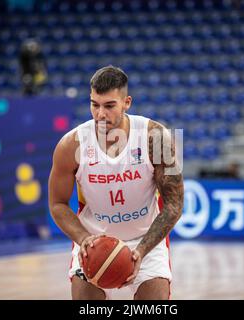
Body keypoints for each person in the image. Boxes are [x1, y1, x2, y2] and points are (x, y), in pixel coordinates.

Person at [48, 66, 184, 300]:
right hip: (93, 240)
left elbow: (174, 205)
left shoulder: (157, 138)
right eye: (94, 104)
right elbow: (58, 204)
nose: (100, 114)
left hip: (146, 240)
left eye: (109, 106)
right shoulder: (70, 146)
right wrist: (83, 239)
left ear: (127, 102)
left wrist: (141, 250)